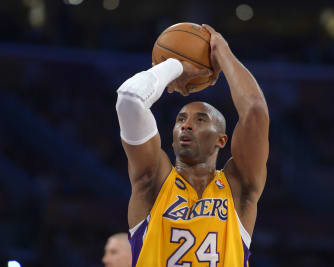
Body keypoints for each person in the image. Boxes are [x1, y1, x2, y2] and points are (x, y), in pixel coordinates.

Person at [115, 24, 269, 266]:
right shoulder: (153, 183)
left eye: (200, 119)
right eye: (180, 119)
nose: (186, 125)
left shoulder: (238, 190)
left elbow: (256, 112)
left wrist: (221, 51)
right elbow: (129, 99)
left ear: (221, 139)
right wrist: (176, 66)